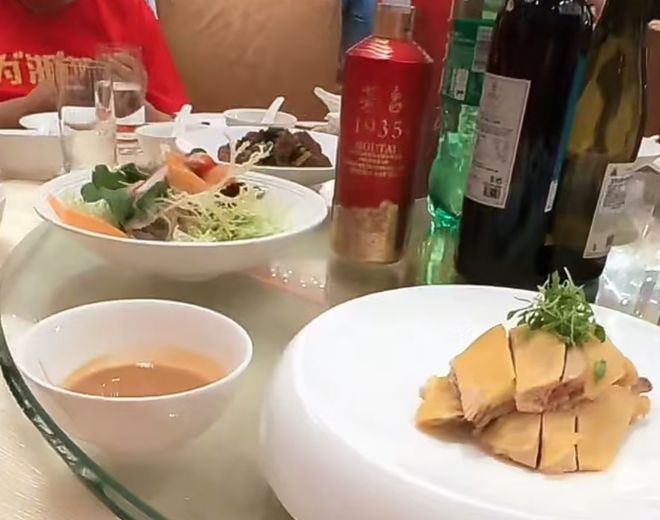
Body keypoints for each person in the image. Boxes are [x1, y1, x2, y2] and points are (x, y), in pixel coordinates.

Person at [0, 0, 188, 128]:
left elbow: (176, 128)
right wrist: (28, 108)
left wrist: (135, 108)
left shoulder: (127, 9)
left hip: (108, 163)